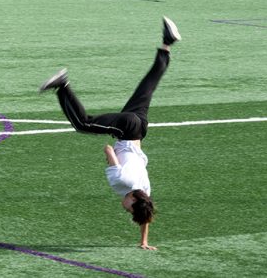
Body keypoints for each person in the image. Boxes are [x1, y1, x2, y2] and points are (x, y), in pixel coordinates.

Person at [39, 16, 181, 251]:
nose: (123, 205)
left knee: (148, 85)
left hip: (139, 129)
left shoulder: (145, 191)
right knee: (84, 124)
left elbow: (145, 216)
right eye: (127, 207)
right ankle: (62, 85)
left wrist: (144, 240)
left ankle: (167, 43)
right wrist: (111, 158)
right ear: (133, 200)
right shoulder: (121, 183)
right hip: (126, 131)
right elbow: (107, 149)